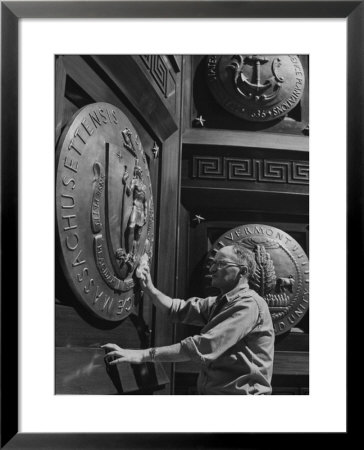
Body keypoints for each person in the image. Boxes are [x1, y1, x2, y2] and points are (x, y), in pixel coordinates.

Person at [102, 244, 275, 395]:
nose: (212, 269)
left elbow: (204, 346)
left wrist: (142, 355)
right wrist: (150, 289)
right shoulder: (220, 303)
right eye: (213, 263)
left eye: (221, 264)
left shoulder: (249, 305)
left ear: (242, 272)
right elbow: (178, 309)